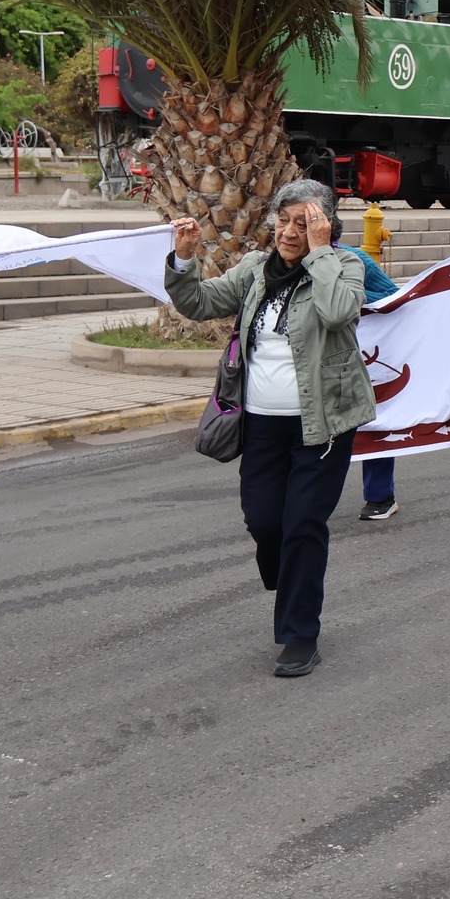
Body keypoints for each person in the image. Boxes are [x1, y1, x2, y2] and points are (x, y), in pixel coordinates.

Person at [165, 178, 375, 676]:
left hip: (322, 425)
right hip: (260, 425)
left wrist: (321, 253)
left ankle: (301, 634)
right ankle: (291, 580)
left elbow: (339, 312)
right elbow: (196, 303)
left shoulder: (344, 266)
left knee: (303, 524)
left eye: (302, 223)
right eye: (282, 220)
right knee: (264, 521)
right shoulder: (255, 271)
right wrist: (184, 258)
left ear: (323, 227)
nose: (287, 231)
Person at [339, 238, 401, 520]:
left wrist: (360, 305)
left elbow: (393, 297)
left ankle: (380, 496)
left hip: (360, 356)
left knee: (374, 419)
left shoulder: (355, 259)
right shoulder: (286, 261)